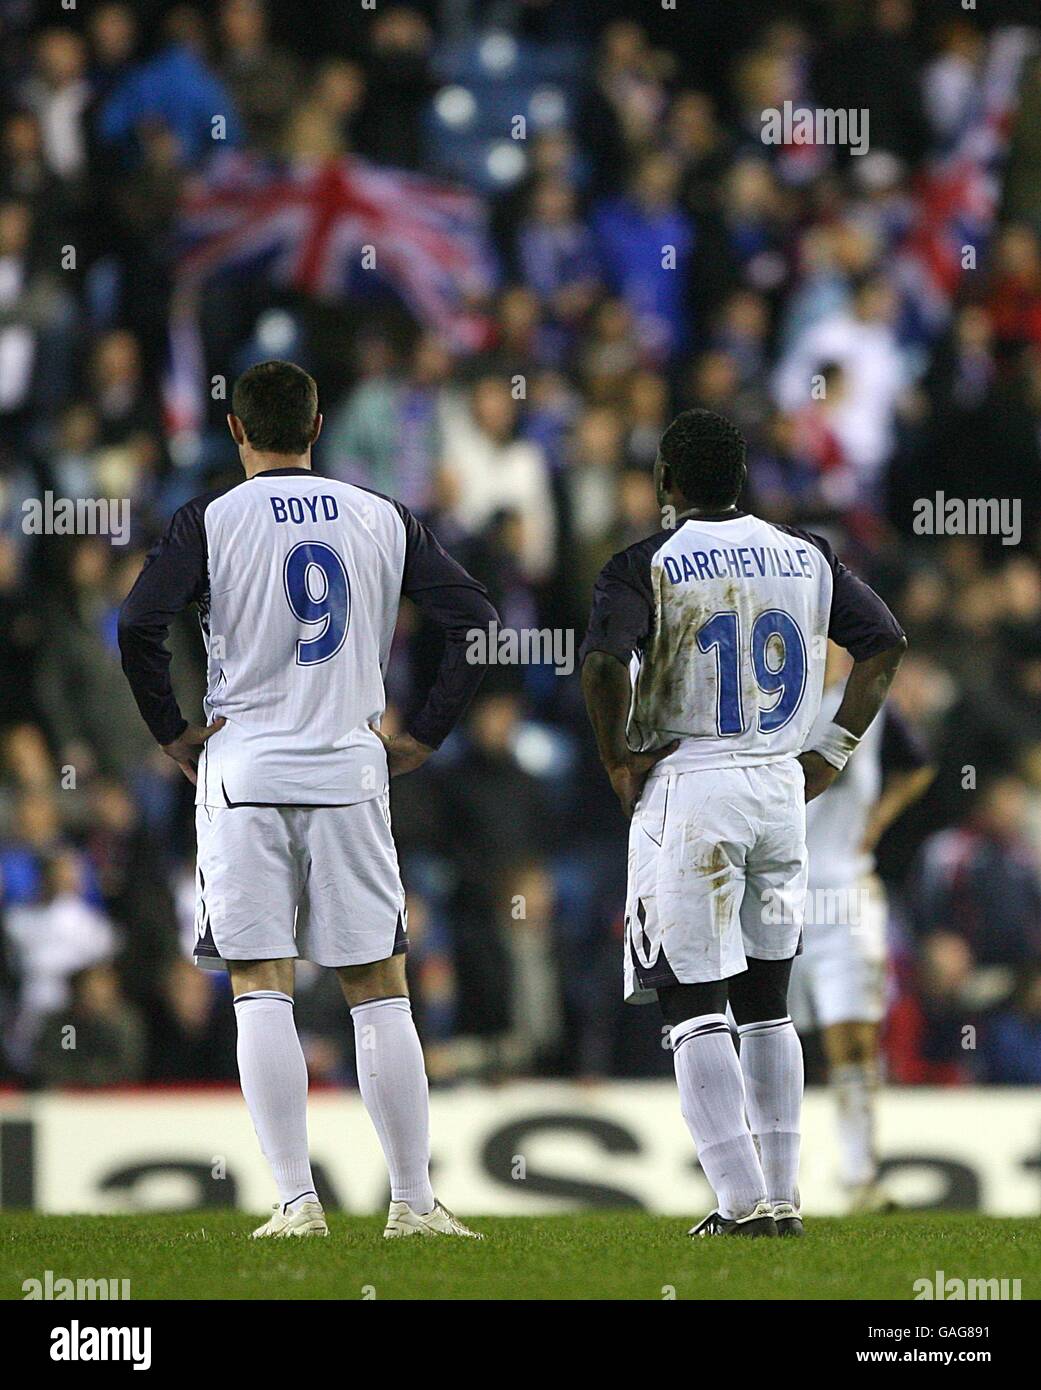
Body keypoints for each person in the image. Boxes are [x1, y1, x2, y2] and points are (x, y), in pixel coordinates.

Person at [118, 360, 496, 1239]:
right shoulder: (381, 516)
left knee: (260, 985)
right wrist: (428, 733)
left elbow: (137, 624)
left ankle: (296, 1204)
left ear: (237, 431)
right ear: (319, 425)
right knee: (379, 986)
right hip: (351, 774)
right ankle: (412, 1201)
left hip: (245, 773)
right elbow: (476, 621)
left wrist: (173, 731)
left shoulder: (209, 519)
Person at [579, 408, 906, 1238]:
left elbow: (598, 663)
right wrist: (829, 752)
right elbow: (884, 643)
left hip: (692, 785)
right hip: (777, 790)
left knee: (690, 1003)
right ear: (743, 478)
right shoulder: (806, 554)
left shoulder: (644, 563)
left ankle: (736, 1202)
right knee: (766, 1001)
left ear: (666, 483)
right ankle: (784, 1197)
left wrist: (619, 759)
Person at [788, 644, 934, 1211]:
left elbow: (917, 764)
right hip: (774, 898)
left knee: (851, 1038)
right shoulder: (762, 707)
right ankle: (759, 1175)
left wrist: (877, 820)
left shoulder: (867, 712)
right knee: (764, 1035)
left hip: (845, 893)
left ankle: (859, 1177)